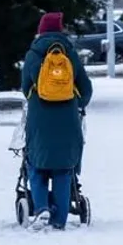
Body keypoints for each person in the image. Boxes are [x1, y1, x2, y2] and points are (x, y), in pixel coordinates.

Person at [21, 12, 93, 230]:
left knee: (37, 164)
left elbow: (26, 88)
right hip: (67, 118)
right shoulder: (69, 54)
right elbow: (86, 88)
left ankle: (41, 207)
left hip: (40, 118)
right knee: (63, 168)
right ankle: (60, 219)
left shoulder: (34, 54)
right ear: (61, 30)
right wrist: (77, 103)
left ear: (41, 30)